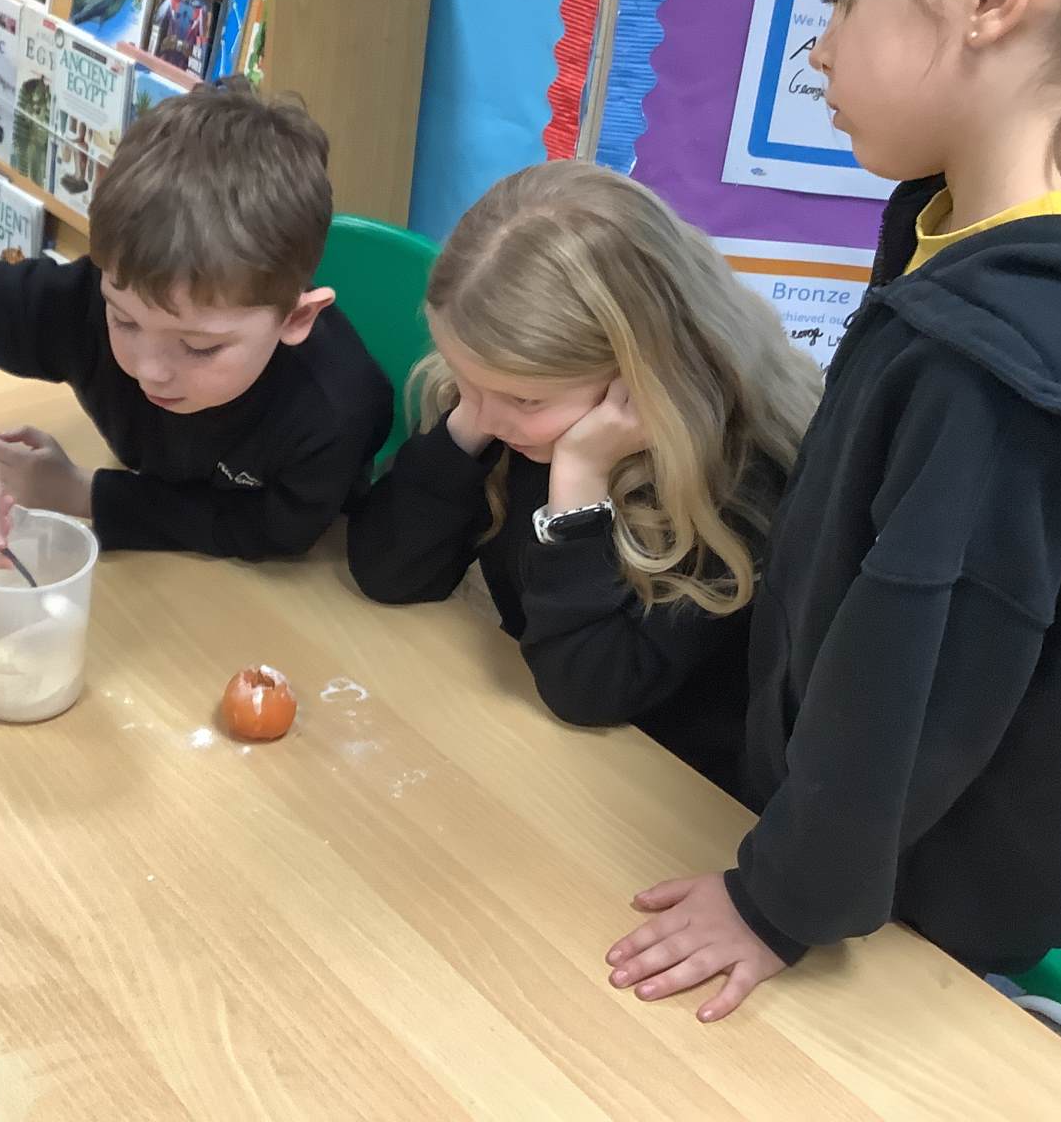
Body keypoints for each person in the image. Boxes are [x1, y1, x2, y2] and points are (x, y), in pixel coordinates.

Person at [607, 0, 1061, 1022]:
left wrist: (776, 902)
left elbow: (919, 675)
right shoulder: (966, 228)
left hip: (927, 896)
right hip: (868, 832)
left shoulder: (1005, 354)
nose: (820, 45)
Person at [346, 163, 819, 793]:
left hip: (670, 789)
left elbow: (588, 690)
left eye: (523, 400)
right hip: (546, 745)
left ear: (643, 378)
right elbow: (389, 572)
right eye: (465, 379)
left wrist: (579, 482)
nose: (488, 416)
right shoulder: (509, 410)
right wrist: (466, 426)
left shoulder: (739, 480)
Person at [0, 83, 392, 563]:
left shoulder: (338, 406)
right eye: (124, 320)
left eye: (199, 347)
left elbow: (275, 530)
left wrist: (83, 493)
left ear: (296, 317)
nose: (148, 370)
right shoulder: (83, 304)